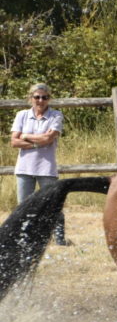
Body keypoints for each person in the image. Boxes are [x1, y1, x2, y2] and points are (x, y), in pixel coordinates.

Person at [9, 82, 68, 245]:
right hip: (24, 167)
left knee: (53, 202)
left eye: (44, 97)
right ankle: (25, 238)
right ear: (31, 98)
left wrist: (25, 136)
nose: (40, 100)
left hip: (46, 167)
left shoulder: (56, 115)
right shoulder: (21, 115)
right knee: (24, 206)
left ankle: (59, 238)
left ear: (49, 99)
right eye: (37, 97)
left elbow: (49, 138)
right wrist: (37, 141)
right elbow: (13, 142)